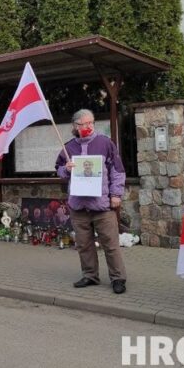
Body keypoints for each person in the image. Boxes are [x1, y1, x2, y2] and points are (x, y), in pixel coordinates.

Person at [55, 109, 128, 294]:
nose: (88, 127)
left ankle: (118, 278)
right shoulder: (68, 148)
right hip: (79, 207)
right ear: (75, 126)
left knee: (111, 245)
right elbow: (59, 170)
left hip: (102, 206)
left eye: (91, 123)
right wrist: (66, 169)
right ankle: (90, 275)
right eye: (84, 124)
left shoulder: (105, 143)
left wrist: (116, 194)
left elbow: (117, 171)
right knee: (84, 245)